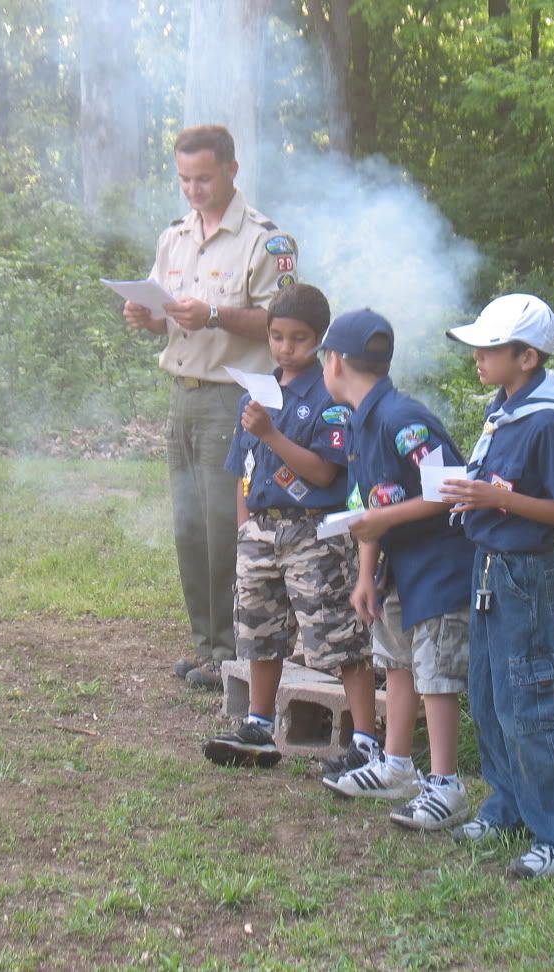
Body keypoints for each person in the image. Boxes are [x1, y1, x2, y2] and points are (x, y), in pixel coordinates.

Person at [122, 124, 298, 690]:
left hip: (234, 398)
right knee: (190, 527)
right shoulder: (175, 237)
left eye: (202, 178)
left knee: (227, 526)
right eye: (184, 179)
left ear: (231, 170)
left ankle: (237, 649)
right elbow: (167, 315)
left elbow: (285, 323)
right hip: (183, 395)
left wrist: (215, 315)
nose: (193, 189)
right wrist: (147, 317)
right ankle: (207, 644)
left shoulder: (267, 241)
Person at [438, 293, 554, 880]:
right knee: (488, 698)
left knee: (531, 704)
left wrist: (496, 499)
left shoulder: (546, 423)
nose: (478, 358)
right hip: (489, 567)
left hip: (524, 577)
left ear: (527, 357)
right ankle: (509, 806)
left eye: (490, 349)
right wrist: (472, 494)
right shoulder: (505, 407)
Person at [202, 284, 381, 769]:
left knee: (338, 636)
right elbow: (242, 469)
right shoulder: (256, 393)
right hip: (261, 531)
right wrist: (245, 528)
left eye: (299, 338)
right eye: (277, 337)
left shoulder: (330, 397)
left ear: (321, 340)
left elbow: (323, 473)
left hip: (314, 534)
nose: (285, 348)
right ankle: (259, 727)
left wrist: (271, 433)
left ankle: (366, 742)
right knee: (260, 631)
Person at [317, 309, 474, 832]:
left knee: (436, 673)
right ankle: (397, 766)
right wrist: (366, 574)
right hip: (398, 567)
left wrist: (383, 521)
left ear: (335, 362)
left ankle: (446, 785)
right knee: (399, 662)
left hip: (440, 565)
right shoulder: (359, 422)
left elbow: (450, 489)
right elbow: (368, 505)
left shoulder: (402, 419)